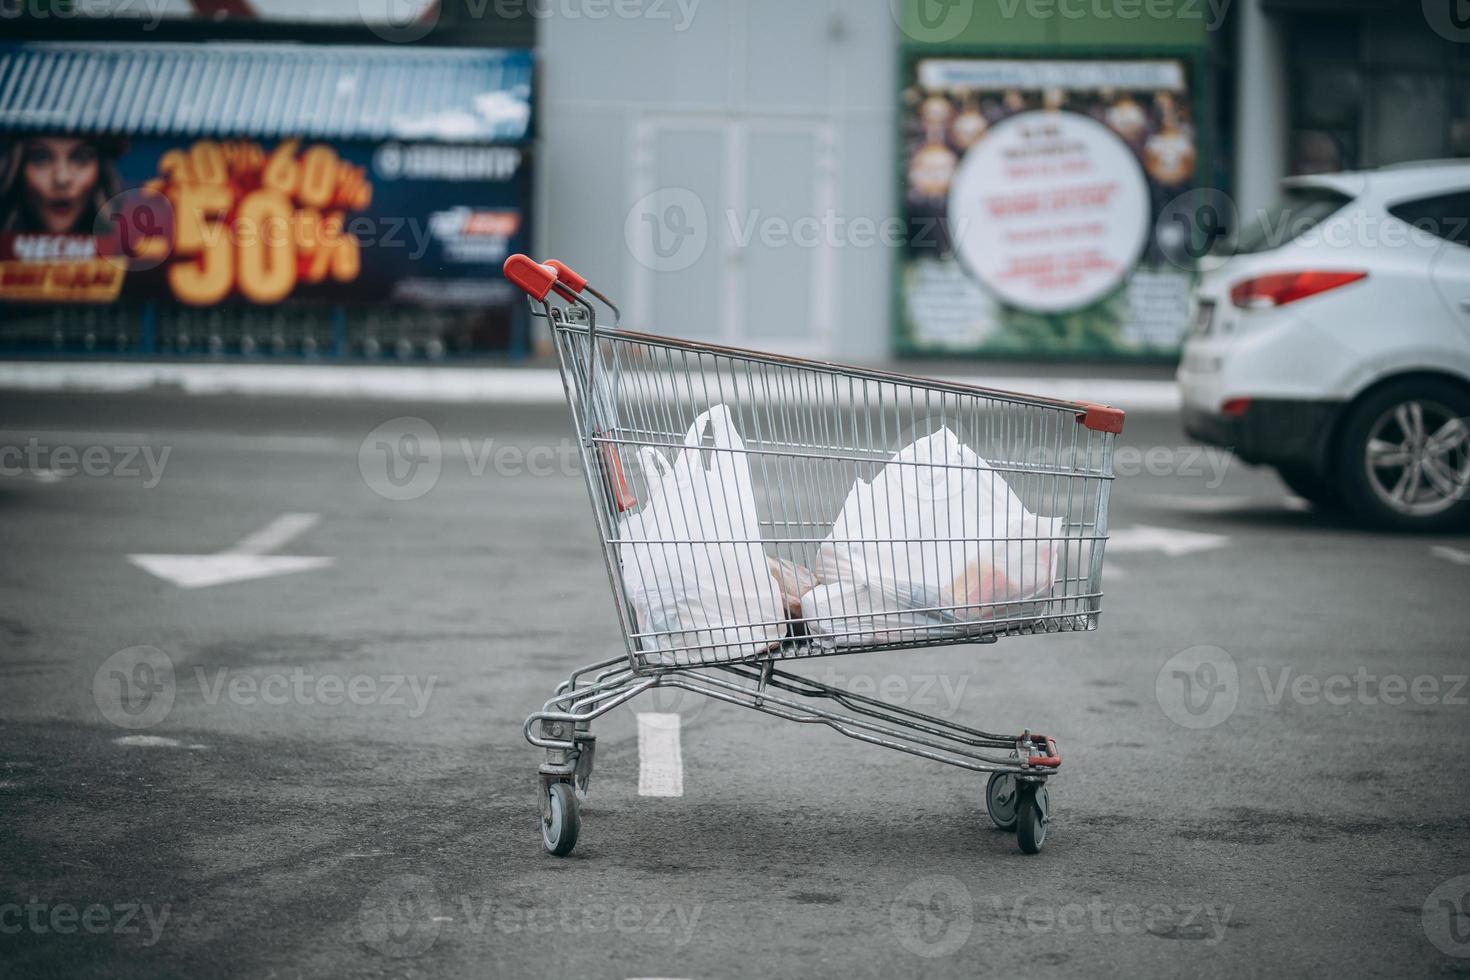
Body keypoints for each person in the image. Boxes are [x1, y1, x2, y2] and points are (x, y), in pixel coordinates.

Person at [0, 134, 123, 235]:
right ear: (16, 168)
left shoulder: (132, 256)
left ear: (101, 170)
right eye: (41, 158)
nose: (61, 179)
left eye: (80, 158)